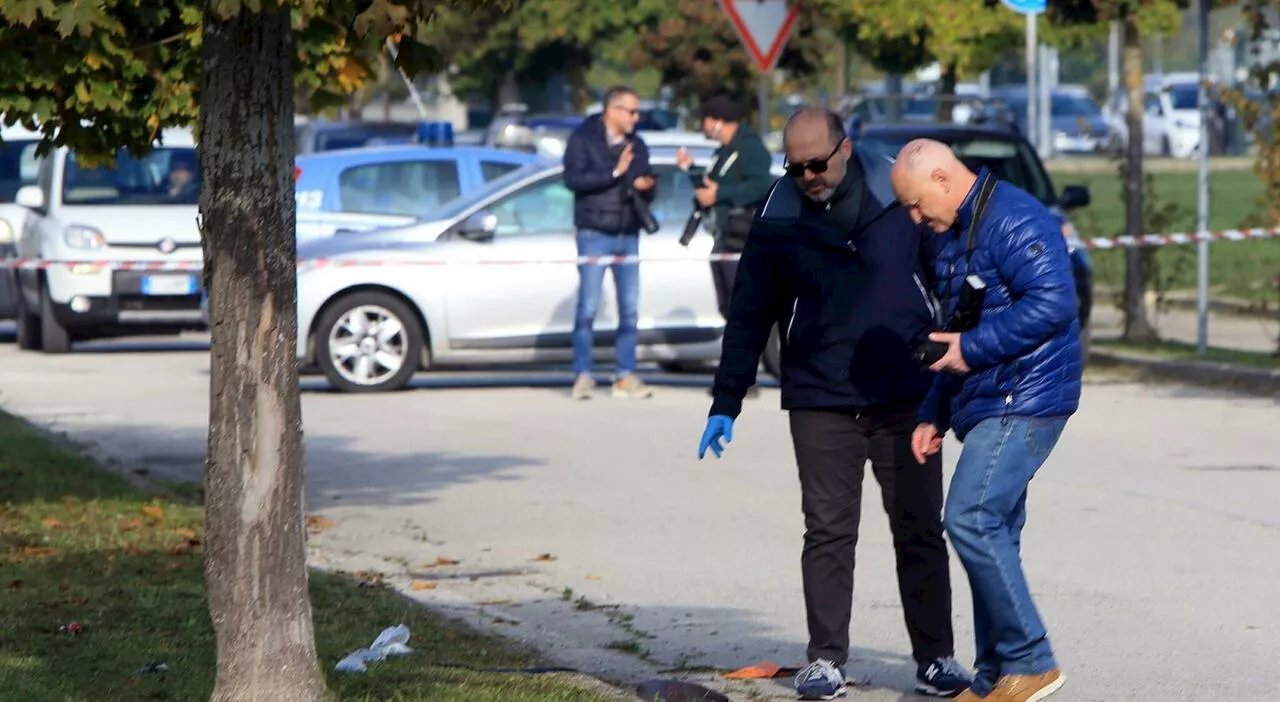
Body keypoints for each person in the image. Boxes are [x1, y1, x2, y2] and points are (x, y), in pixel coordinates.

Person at [697, 107, 973, 701]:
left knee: (920, 529)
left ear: (844, 149)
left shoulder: (897, 198)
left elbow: (948, 280)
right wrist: (727, 398)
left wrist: (953, 369)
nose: (808, 176)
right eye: (795, 167)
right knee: (826, 532)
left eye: (817, 163)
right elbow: (750, 312)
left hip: (903, 393)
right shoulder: (778, 212)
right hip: (819, 397)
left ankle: (936, 658)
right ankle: (825, 660)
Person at [889, 138, 1082, 702]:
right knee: (995, 532)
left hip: (1026, 396)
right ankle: (996, 675)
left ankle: (1033, 661)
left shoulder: (1016, 218)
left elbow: (1054, 302)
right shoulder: (954, 235)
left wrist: (970, 351)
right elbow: (960, 328)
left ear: (945, 180)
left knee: (970, 516)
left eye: (917, 203)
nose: (915, 217)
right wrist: (934, 410)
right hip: (986, 398)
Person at [562, 85, 658, 401]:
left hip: (628, 232)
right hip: (594, 232)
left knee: (629, 309)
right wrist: (616, 171)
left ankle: (625, 375)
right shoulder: (583, 138)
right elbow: (574, 180)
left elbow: (646, 181)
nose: (636, 117)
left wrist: (646, 185)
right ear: (611, 110)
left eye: (637, 112)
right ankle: (583, 374)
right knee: (588, 307)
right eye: (631, 111)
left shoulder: (637, 144)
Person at [676, 94, 775, 321]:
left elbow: (760, 187)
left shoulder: (750, 147)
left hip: (743, 238)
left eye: (704, 120)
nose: (702, 125)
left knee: (744, 308)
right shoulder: (722, 151)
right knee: (727, 307)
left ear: (717, 121)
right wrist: (691, 170)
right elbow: (709, 192)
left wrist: (720, 193)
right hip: (723, 237)